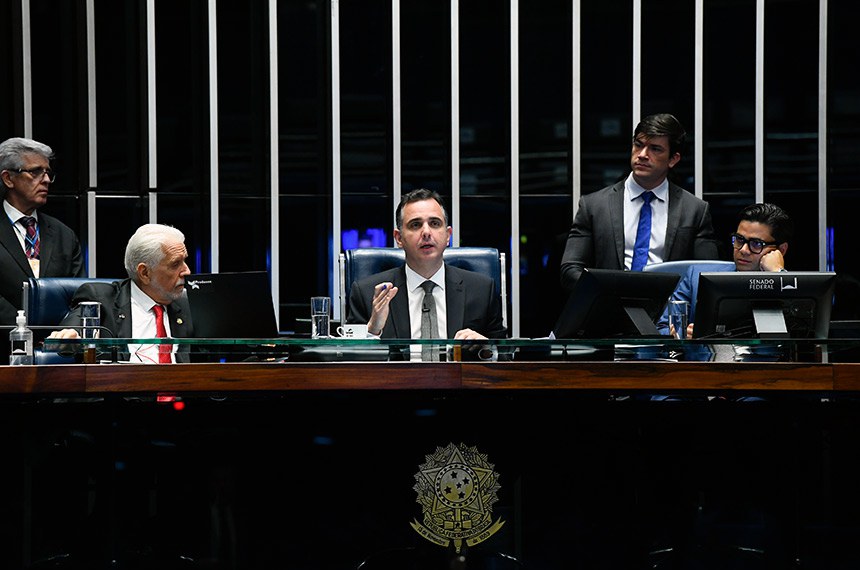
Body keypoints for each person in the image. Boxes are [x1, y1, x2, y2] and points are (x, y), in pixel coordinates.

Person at [560, 113, 718, 291]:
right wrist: (606, 294)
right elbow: (570, 270)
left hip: (668, 313)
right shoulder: (594, 206)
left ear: (673, 159)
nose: (642, 155)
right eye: (638, 145)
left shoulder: (694, 210)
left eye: (655, 149)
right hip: (608, 311)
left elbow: (707, 276)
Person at [346, 188, 506, 353]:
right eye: (415, 225)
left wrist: (487, 350)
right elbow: (349, 366)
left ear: (448, 235)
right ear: (399, 238)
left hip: (461, 379)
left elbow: (504, 360)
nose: (426, 232)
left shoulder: (482, 290)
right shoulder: (366, 294)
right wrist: (372, 331)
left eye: (435, 223)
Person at [49, 223, 194, 363]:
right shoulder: (102, 299)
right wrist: (70, 336)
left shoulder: (192, 304)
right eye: (175, 264)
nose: (187, 271)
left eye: (185, 261)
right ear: (144, 273)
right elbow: (72, 330)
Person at [657, 202, 793, 337]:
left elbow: (800, 330)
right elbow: (661, 328)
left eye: (756, 244)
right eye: (739, 240)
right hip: (706, 358)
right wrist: (681, 333)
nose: (744, 250)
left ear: (781, 250)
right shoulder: (696, 276)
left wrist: (777, 275)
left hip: (766, 358)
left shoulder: (788, 285)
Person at [0, 137, 85, 327]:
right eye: (36, 172)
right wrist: (24, 329)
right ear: (8, 178)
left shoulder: (64, 235)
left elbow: (80, 293)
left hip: (55, 346)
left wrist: (62, 333)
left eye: (47, 172)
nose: (46, 180)